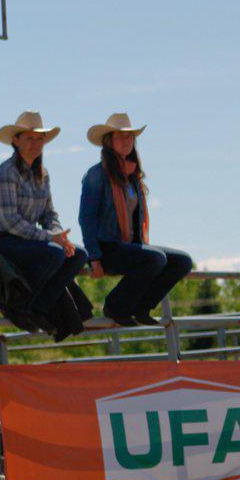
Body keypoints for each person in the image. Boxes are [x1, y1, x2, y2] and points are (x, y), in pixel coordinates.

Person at [0, 111, 88, 334]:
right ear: (16, 141)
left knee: (78, 255)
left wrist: (60, 236)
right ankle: (19, 306)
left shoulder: (42, 174)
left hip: (23, 237)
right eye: (29, 138)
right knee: (54, 254)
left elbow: (48, 214)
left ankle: (38, 307)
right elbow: (11, 222)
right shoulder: (4, 173)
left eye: (39, 139)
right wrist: (50, 238)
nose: (35, 144)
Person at [79, 113, 193, 327]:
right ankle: (115, 306)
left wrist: (140, 246)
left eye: (130, 136)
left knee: (182, 261)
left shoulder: (133, 177)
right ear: (108, 141)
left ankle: (141, 307)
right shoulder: (97, 174)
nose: (127, 141)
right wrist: (94, 257)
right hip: (107, 248)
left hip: (131, 247)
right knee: (155, 259)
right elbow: (86, 218)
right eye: (120, 136)